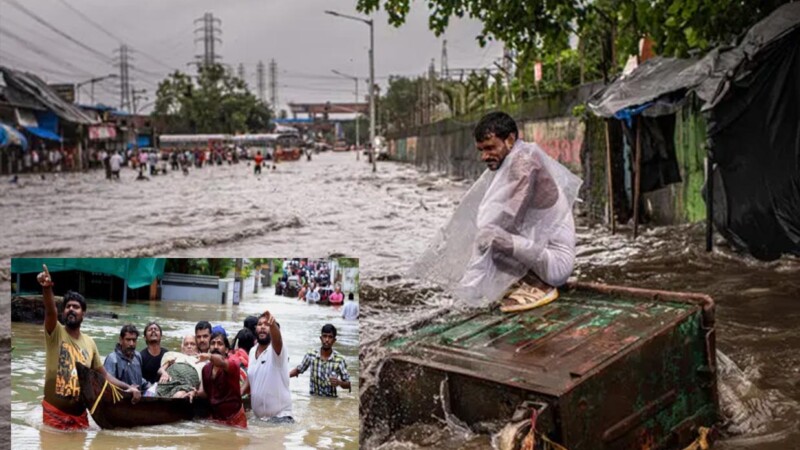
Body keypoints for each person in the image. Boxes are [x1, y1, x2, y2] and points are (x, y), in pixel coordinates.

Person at [414, 111, 581, 313]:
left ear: (510, 140)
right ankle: (518, 283)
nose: (484, 156)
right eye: (481, 150)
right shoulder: (514, 159)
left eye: (490, 148)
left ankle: (541, 287)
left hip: (555, 265)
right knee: (481, 236)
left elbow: (507, 220)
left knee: (489, 237)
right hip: (538, 251)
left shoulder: (524, 164)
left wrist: (471, 282)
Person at [37, 266, 141, 431]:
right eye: (68, 306)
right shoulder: (55, 332)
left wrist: (127, 387)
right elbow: (50, 311)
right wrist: (47, 287)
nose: (71, 309)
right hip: (54, 414)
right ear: (63, 312)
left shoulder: (90, 343)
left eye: (76, 307)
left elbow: (104, 375)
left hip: (80, 417)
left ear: (83, 313)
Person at [247, 311, 293, 423]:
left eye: (266, 324)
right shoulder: (252, 351)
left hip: (281, 419)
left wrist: (273, 325)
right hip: (260, 420)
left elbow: (277, 341)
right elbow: (251, 378)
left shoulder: (277, 351)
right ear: (255, 329)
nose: (263, 327)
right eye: (259, 324)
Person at [197, 332, 247, 428]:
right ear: (209, 348)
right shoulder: (206, 369)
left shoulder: (232, 365)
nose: (215, 347)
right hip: (215, 420)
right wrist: (194, 393)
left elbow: (221, 362)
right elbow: (207, 393)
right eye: (213, 343)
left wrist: (210, 357)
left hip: (235, 421)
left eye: (220, 344)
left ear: (227, 350)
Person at [290, 324, 351, 398]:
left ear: (334, 340)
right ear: (321, 338)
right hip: (314, 400)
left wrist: (339, 383)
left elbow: (348, 384)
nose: (327, 340)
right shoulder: (311, 355)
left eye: (330, 337)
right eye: (325, 336)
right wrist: (283, 377)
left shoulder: (339, 360)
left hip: (331, 401)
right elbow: (298, 370)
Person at [104, 324, 151, 391]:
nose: (131, 344)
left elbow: (138, 379)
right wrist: (127, 390)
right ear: (120, 340)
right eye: (128, 340)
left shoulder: (137, 356)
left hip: (137, 397)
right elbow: (107, 385)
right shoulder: (112, 359)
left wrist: (148, 385)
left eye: (134, 340)